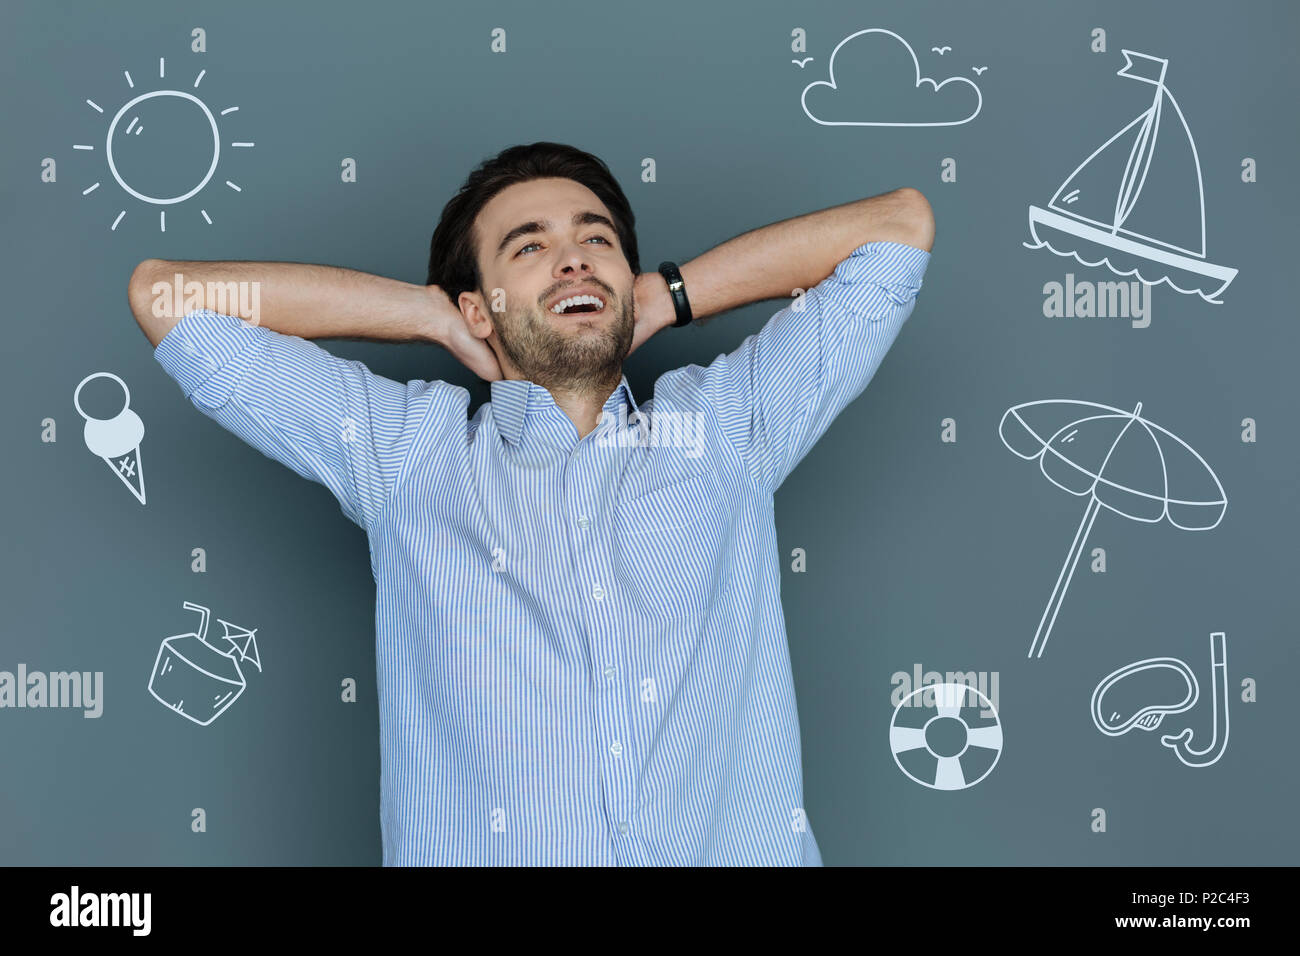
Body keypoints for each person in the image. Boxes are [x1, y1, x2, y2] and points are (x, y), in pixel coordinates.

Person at [129, 141, 934, 866]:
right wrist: (429, 316)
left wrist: (668, 297)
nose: (575, 260)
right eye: (531, 247)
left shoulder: (728, 426)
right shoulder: (407, 454)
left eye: (597, 241)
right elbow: (167, 298)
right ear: (478, 306)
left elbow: (898, 227)